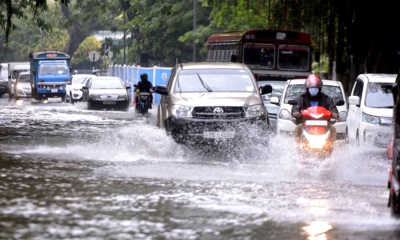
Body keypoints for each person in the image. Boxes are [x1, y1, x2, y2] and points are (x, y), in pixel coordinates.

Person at [291, 74, 338, 141]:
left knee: (332, 128)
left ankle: (330, 146)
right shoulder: (301, 98)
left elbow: (332, 106)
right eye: (311, 88)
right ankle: (298, 146)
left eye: (315, 88)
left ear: (319, 88)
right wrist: (296, 112)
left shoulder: (326, 98)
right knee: (298, 128)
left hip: (323, 123)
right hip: (305, 123)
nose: (313, 90)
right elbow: (296, 106)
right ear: (307, 88)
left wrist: (334, 112)